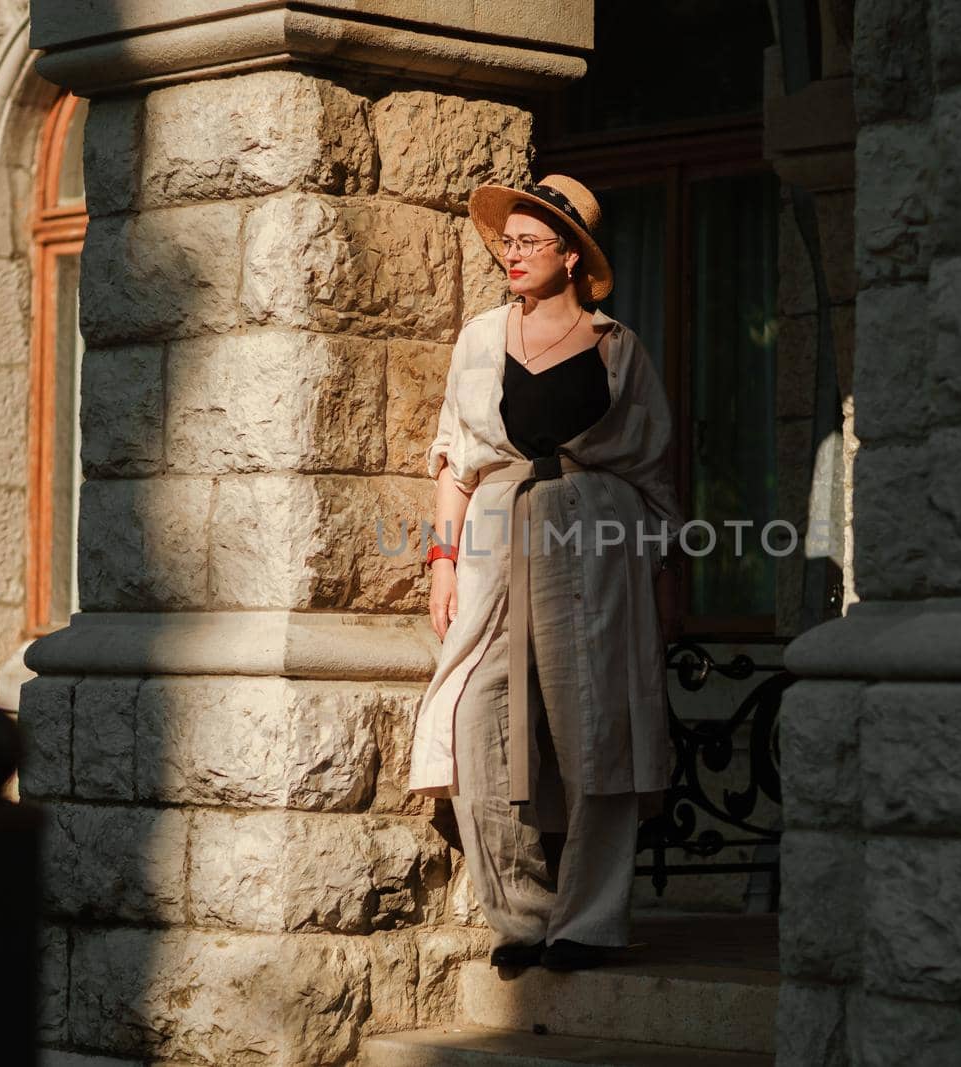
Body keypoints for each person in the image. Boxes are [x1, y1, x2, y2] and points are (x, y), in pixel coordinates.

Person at [407, 174, 685, 972]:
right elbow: (454, 462)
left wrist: (665, 573)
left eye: (530, 242)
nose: (512, 254)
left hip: (598, 537)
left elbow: (655, 470)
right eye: (508, 241)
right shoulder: (480, 339)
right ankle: (523, 914)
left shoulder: (616, 346)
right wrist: (441, 560)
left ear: (571, 256)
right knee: (475, 713)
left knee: (595, 720)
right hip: (495, 531)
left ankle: (590, 919)